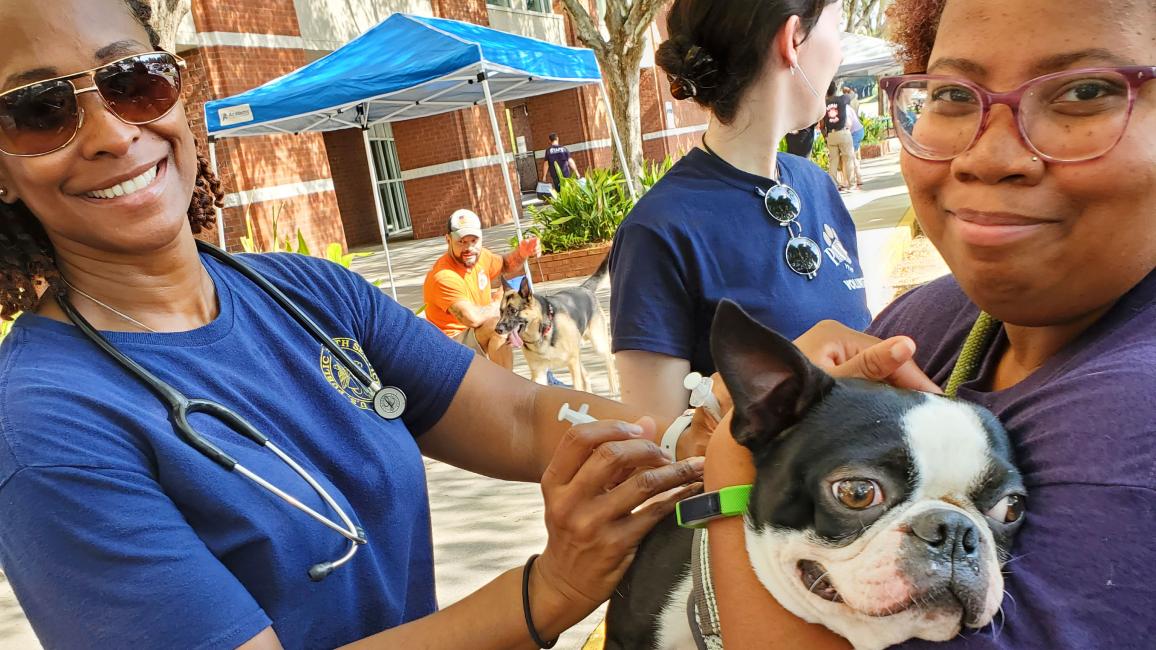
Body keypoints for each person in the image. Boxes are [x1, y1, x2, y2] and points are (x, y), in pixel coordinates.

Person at [0, 1, 706, 648]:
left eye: (131, 79)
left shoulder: (309, 293)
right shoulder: (44, 427)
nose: (111, 134)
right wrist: (549, 590)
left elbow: (520, 415)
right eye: (39, 110)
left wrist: (691, 441)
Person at [702, 0, 1156, 647]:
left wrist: (730, 469)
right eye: (951, 94)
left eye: (1085, 92)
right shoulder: (938, 313)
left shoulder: (1136, 420)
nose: (989, 153)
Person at [609, 0, 870, 427]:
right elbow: (656, 444)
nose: (839, 52)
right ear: (792, 40)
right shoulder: (659, 230)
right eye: (836, 28)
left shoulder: (817, 184)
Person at [422, 208, 538, 370]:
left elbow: (505, 264)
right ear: (448, 240)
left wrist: (522, 253)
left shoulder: (481, 256)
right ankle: (507, 388)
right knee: (498, 324)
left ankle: (543, 374)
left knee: (531, 311)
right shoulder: (443, 276)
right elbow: (472, 318)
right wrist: (498, 303)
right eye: (461, 241)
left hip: (474, 334)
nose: (469, 247)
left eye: (474, 240)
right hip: (449, 347)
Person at [821, 82, 859, 190]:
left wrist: (825, 137)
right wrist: (846, 89)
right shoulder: (842, 99)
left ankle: (834, 184)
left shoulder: (824, 103)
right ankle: (851, 185)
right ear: (835, 89)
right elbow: (853, 95)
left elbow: (822, 124)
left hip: (831, 135)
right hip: (843, 133)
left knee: (833, 160)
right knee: (848, 159)